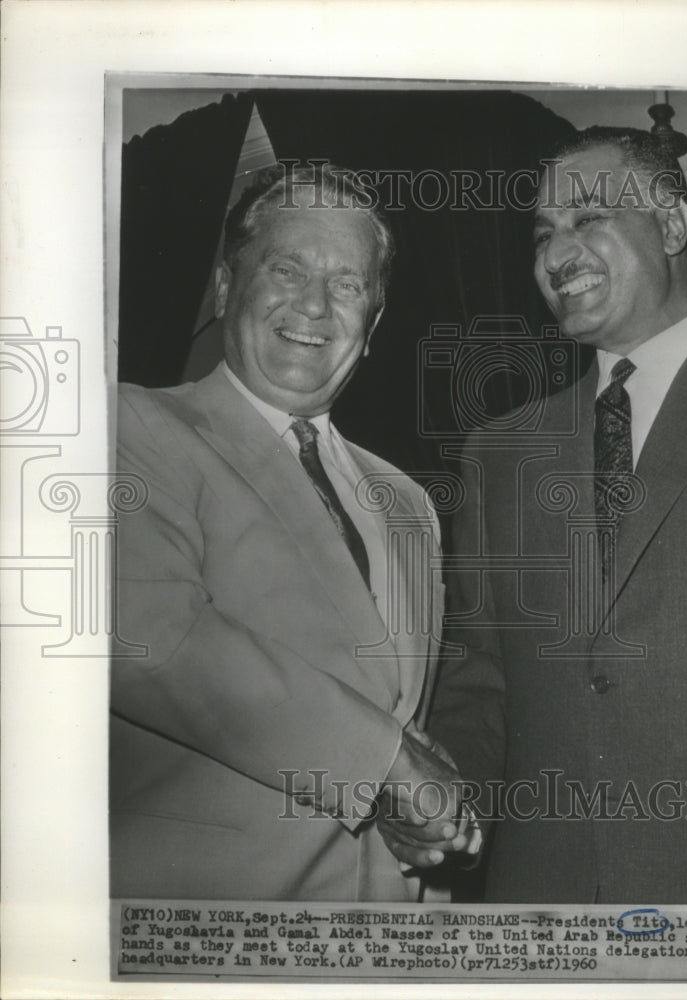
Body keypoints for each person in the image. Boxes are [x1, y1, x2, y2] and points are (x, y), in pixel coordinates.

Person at [429, 127, 687, 904]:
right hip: (543, 901)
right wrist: (443, 799)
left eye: (588, 219)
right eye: (543, 234)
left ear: (673, 225)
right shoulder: (498, 452)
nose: (558, 256)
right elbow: (475, 682)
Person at [110, 163, 470, 902]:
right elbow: (152, 641)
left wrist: (434, 819)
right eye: (287, 269)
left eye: (347, 284)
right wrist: (388, 765)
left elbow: (409, 708)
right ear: (222, 288)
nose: (315, 304)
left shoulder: (407, 502)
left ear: (370, 324)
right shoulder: (127, 426)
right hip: (208, 933)